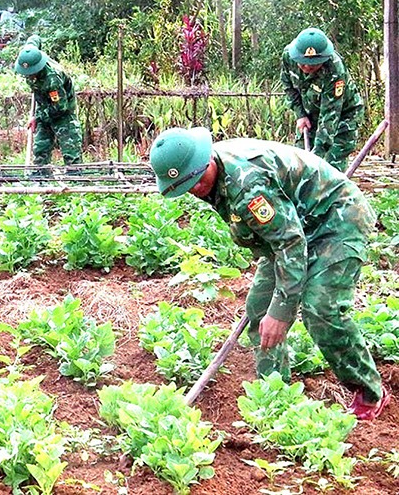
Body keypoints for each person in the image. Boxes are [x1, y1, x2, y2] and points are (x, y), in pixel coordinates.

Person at [149, 127, 389, 421]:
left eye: (196, 180)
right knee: (259, 311)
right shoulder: (214, 172)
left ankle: (368, 392)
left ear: (207, 161)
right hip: (291, 227)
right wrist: (272, 309)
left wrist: (283, 310)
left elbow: (290, 243)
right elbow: (281, 237)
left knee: (321, 310)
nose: (195, 189)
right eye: (186, 186)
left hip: (336, 220)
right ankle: (275, 395)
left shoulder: (248, 186)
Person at [280, 27, 364, 171]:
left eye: (313, 64)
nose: (307, 67)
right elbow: (288, 87)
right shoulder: (288, 56)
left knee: (329, 168)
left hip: (343, 117)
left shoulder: (334, 70)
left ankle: (335, 191)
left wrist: (317, 155)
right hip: (310, 114)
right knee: (299, 162)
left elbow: (330, 115)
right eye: (303, 62)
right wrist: (300, 115)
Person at [14, 35, 82, 173]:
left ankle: (76, 183)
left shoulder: (52, 80)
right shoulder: (29, 54)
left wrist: (37, 117)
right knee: (40, 149)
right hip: (44, 108)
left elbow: (59, 108)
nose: (28, 76)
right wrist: (38, 117)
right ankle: (41, 181)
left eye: (31, 73)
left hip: (62, 113)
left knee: (71, 152)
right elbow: (34, 38)